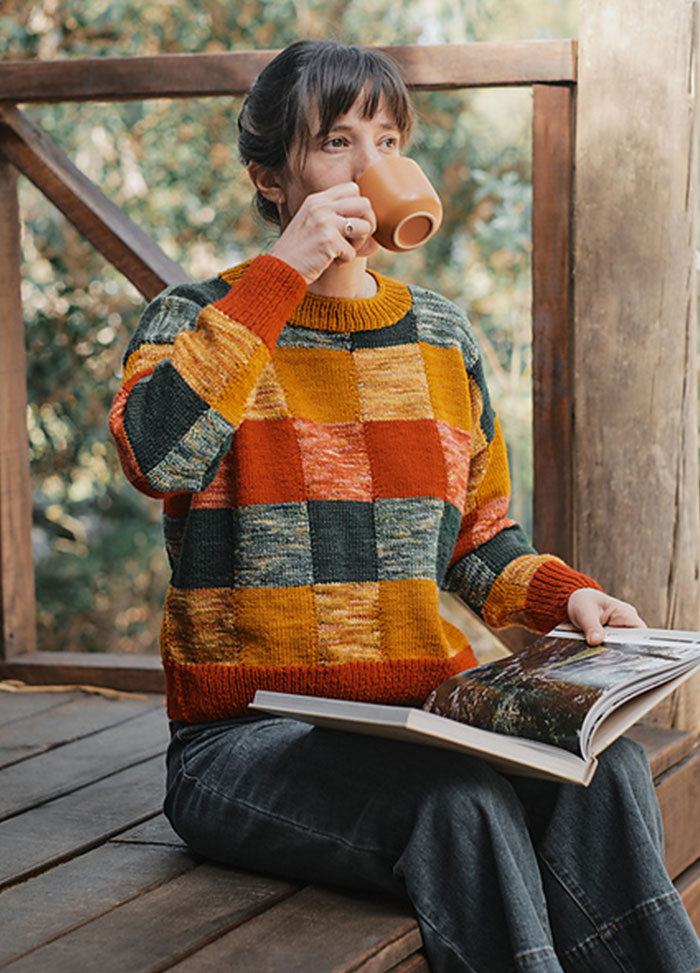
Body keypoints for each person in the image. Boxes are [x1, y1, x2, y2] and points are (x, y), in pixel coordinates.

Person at [109, 39, 700, 973]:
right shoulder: (199, 319)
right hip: (243, 739)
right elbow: (156, 453)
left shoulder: (440, 335)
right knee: (458, 805)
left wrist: (565, 600)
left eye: (387, 138)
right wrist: (282, 273)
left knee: (609, 770)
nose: (372, 166)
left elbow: (478, 535)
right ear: (272, 177)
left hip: (425, 717)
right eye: (337, 142)